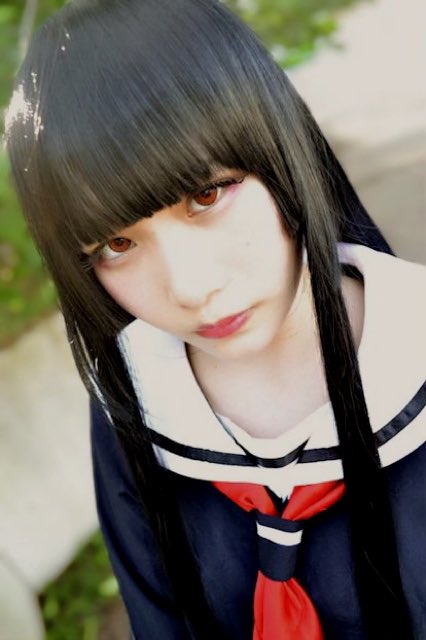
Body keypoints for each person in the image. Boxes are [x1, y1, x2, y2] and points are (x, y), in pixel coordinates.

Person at [5, 0, 426, 638]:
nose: (190, 287)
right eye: (117, 244)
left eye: (206, 196)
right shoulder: (136, 400)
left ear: (279, 144)